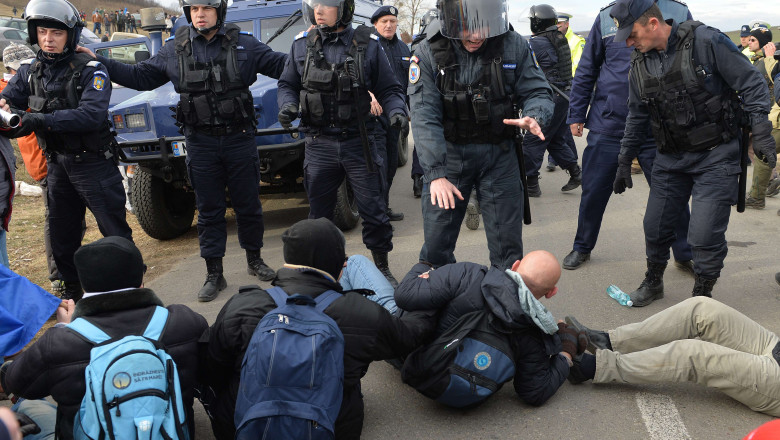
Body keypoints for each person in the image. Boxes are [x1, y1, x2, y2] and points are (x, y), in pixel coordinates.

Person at [80, 0, 288, 302]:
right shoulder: (173, 49)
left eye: (206, 8)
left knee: (248, 205)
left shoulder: (244, 45)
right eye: (193, 9)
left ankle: (255, 260)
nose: (199, 14)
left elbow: (284, 65)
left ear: (219, 11)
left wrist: (308, 48)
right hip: (200, 143)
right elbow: (141, 77)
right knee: (209, 210)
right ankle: (214, 272)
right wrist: (101, 63)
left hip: (239, 139)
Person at [199, 218, 434, 439]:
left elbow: (213, 370)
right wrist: (428, 294)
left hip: (244, 427)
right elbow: (409, 338)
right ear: (336, 263)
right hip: (332, 429)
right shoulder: (360, 312)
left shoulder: (243, 305)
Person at [611, 0, 775, 304]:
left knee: (704, 236)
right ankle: (653, 281)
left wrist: (761, 131)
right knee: (655, 226)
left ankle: (702, 297)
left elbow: (751, 83)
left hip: (715, 155)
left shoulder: (707, 41)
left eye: (632, 34)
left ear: (653, 24)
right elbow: (636, 114)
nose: (629, 42)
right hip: (671, 157)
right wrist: (624, 158)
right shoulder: (639, 62)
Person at [0, 236, 208, 440]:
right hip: (169, 433)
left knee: (28, 405)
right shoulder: (185, 321)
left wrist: (64, 327)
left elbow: (16, 384)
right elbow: (213, 374)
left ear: (84, 283)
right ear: (141, 275)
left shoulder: (59, 341)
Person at [0, 0, 133, 302]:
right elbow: (8, 103)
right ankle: (71, 294)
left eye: (56, 33)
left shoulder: (91, 70)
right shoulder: (30, 72)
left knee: (114, 233)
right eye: (43, 32)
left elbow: (90, 116)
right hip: (56, 166)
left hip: (94, 164)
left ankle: (129, 290)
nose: (48, 39)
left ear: (70, 35)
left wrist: (37, 119)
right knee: (62, 237)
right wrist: (8, 113)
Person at [410, 0, 553, 270]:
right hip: (449, 158)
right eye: (467, 27)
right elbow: (423, 115)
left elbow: (538, 91)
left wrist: (534, 115)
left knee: (508, 251)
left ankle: (505, 305)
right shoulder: (427, 51)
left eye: (483, 25)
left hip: (500, 155)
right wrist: (435, 174)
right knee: (436, 245)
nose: (476, 36)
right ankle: (439, 303)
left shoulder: (513, 44)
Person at [277, 0, 408, 286]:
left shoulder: (369, 44)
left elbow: (390, 88)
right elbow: (287, 84)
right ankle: (320, 275)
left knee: (374, 211)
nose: (318, 10)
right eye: (316, 4)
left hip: (359, 142)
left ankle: (382, 268)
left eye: (326, 4)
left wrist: (398, 111)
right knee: (318, 219)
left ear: (345, 8)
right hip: (319, 143)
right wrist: (287, 105)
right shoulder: (301, 44)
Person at [561, 0, 693, 274]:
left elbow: (692, 61)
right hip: (610, 121)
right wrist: (576, 114)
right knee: (594, 190)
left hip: (659, 125)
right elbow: (588, 67)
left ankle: (685, 252)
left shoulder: (678, 12)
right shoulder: (607, 17)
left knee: (671, 192)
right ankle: (582, 246)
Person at [395, 250, 584, 406]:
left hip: (413, 357)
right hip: (462, 393)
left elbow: (404, 295)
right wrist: (566, 354)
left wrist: (425, 267)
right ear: (551, 293)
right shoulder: (535, 333)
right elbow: (535, 392)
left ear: (515, 266)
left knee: (364, 266)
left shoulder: (468, 274)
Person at [565, 296, 780, 416]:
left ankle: (595, 367)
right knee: (702, 309)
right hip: (775, 346)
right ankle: (609, 341)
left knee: (692, 353)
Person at [0, 43, 86, 292]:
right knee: (58, 222)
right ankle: (59, 276)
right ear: (12, 69)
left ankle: (65, 272)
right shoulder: (10, 94)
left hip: (45, 163)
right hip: (46, 163)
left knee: (67, 221)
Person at [523, 4, 581, 198]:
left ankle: (531, 183)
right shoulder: (557, 37)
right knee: (554, 139)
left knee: (533, 138)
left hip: (551, 97)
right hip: (563, 96)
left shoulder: (537, 42)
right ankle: (575, 172)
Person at [370, 5, 410, 222]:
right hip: (374, 118)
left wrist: (409, 110)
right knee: (379, 166)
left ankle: (383, 208)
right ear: (375, 24)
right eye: (384, 21)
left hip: (396, 118)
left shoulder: (404, 49)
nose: (388, 25)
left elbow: (411, 82)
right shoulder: (368, 47)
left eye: (392, 21)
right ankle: (377, 214)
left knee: (392, 165)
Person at [545, 11, 585, 173]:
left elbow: (580, 66)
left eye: (560, 24)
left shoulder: (576, 41)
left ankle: (571, 164)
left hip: (572, 86)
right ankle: (562, 162)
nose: (557, 27)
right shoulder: (551, 39)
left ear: (567, 24)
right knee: (560, 128)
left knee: (562, 127)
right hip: (559, 87)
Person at [745, 27, 780, 209]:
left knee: (762, 152)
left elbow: (770, 83)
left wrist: (769, 58)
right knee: (758, 150)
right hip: (771, 113)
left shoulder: (765, 62)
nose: (748, 42)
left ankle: (758, 195)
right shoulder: (760, 60)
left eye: (752, 39)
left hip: (771, 115)